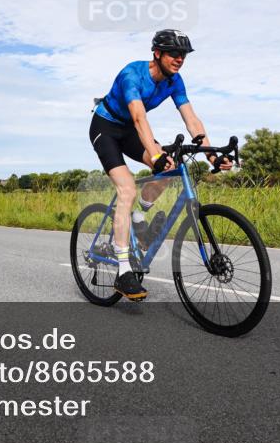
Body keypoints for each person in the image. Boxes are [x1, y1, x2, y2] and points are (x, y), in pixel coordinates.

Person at [90, 29, 231, 301]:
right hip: (106, 128)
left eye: (184, 55)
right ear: (157, 53)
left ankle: (139, 220)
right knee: (127, 189)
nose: (180, 59)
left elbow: (192, 120)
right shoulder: (132, 74)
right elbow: (139, 117)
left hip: (130, 130)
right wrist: (154, 155)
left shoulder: (175, 82)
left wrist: (211, 154)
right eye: (175, 54)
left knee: (169, 167)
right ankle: (122, 271)